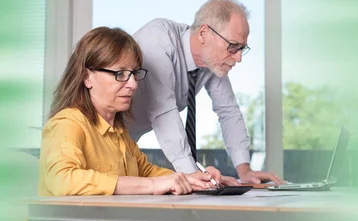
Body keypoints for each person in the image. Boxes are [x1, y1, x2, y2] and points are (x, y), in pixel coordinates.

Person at [38, 27, 235, 196]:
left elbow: (145, 171)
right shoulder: (67, 123)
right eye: (120, 74)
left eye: (134, 73)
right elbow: (62, 179)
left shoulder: (119, 132)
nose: (133, 84)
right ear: (87, 77)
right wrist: (153, 185)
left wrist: (192, 180)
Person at [126, 0, 284, 184]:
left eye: (242, 48)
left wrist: (245, 171)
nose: (239, 58)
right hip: (97, 135)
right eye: (233, 46)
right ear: (204, 33)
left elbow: (228, 111)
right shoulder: (157, 40)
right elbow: (163, 112)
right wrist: (196, 177)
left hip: (126, 144)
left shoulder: (211, 61)